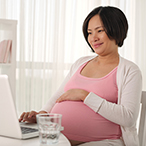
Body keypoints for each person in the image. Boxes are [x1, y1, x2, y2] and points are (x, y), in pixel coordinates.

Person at [19, 6, 142, 146]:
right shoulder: (80, 63)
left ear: (117, 29)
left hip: (103, 142)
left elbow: (128, 118)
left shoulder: (130, 71)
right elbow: (58, 96)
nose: (93, 38)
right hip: (56, 139)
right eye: (89, 33)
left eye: (99, 31)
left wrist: (84, 95)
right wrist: (42, 115)